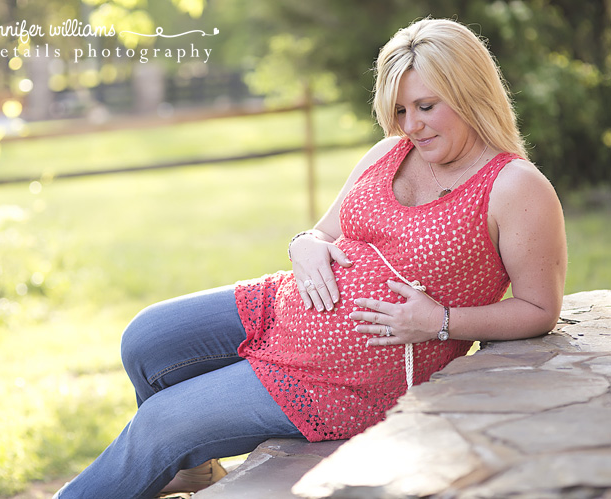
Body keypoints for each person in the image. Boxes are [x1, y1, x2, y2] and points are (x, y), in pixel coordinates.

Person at [54, 17, 567, 499]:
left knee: (162, 425)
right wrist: (303, 245)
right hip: (283, 307)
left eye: (427, 107)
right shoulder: (390, 152)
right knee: (147, 338)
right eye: (401, 110)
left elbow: (539, 309)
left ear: (470, 94)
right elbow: (322, 232)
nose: (411, 125)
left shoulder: (515, 187)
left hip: (347, 380)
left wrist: (440, 322)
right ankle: (192, 468)